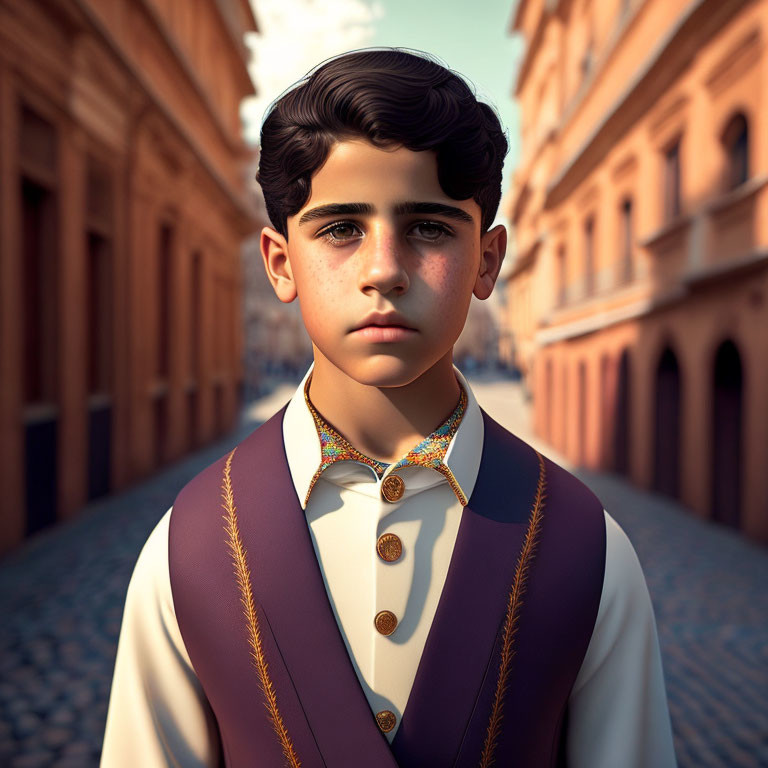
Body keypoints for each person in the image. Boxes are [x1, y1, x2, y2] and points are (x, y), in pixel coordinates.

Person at [101, 48, 677, 767]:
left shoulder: (588, 553)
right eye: (342, 229)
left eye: (430, 228)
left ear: (488, 261)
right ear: (281, 262)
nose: (384, 271)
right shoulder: (186, 551)